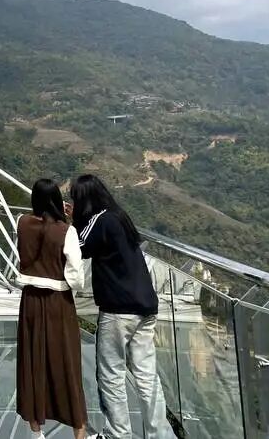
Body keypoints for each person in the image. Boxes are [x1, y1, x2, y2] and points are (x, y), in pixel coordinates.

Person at [70, 174, 176, 439]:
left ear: (83, 200)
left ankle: (118, 434)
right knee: (146, 375)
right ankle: (160, 434)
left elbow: (78, 248)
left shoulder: (99, 220)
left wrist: (69, 221)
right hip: (146, 305)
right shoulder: (119, 217)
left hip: (119, 310)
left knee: (111, 374)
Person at [16, 179, 88, 439]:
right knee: (66, 362)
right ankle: (78, 430)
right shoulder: (66, 231)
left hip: (30, 301)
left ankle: (37, 432)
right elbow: (76, 275)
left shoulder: (22, 222)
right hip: (58, 303)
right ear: (58, 200)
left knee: (33, 361)